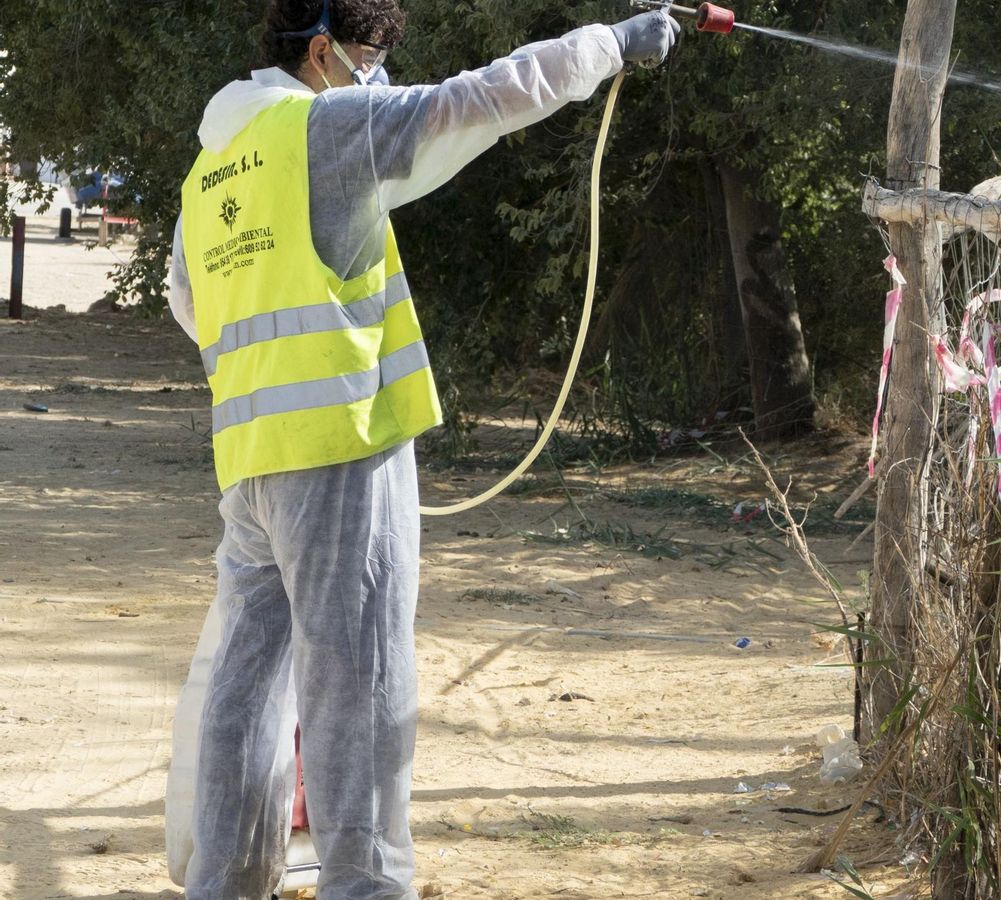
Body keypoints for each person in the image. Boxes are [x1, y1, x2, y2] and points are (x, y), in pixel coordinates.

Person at [163, 1, 678, 897]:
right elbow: (476, 100)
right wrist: (609, 46)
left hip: (250, 463)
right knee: (357, 691)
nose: (380, 78)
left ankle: (225, 883)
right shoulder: (326, 126)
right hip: (342, 449)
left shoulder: (212, 167)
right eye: (369, 57)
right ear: (320, 51)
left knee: (247, 688)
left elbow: (191, 300)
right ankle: (365, 887)